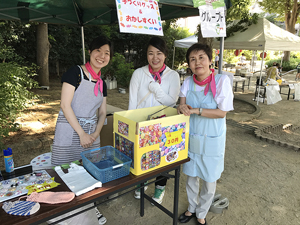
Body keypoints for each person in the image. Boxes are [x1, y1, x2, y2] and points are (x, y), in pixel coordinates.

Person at [50, 36, 111, 225]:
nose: (102, 56)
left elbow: (102, 112)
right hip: (70, 131)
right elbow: (65, 105)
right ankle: (63, 213)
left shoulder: (103, 82)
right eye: (98, 51)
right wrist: (82, 134)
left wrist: (95, 134)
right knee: (63, 173)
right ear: (90, 52)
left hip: (92, 135)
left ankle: (90, 209)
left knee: (90, 173)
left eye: (107, 53)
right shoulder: (75, 72)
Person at [177, 43, 234, 225]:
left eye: (201, 57)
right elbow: (181, 106)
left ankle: (201, 213)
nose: (197, 62)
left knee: (209, 179)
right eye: (192, 59)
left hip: (212, 139)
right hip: (192, 137)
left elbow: (222, 112)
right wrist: (182, 107)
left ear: (211, 60)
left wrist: (196, 111)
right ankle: (191, 208)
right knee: (191, 176)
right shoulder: (187, 82)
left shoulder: (221, 81)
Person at [128, 36, 180, 204]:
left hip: (164, 125)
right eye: (151, 53)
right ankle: (141, 184)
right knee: (142, 155)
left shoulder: (173, 76)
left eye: (159, 53)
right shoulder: (138, 73)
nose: (155, 58)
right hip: (142, 124)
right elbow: (132, 103)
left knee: (163, 158)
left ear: (165, 54)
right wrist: (132, 123)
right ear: (146, 55)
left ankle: (159, 188)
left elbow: (172, 102)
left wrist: (155, 88)